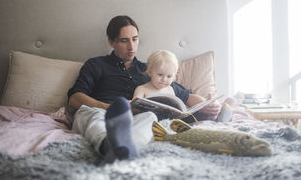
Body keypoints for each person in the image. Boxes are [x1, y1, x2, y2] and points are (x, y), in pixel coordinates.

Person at [67, 15, 221, 163]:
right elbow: (74, 98)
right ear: (111, 41)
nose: (131, 46)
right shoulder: (96, 64)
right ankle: (110, 146)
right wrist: (108, 108)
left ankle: (127, 147)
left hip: (135, 118)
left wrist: (207, 104)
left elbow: (186, 95)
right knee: (93, 117)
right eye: (124, 41)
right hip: (99, 112)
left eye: (135, 39)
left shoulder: (149, 70)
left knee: (150, 118)